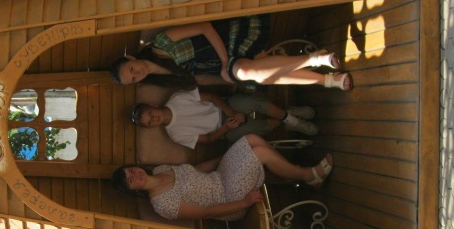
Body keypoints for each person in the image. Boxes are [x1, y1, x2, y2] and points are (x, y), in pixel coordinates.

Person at [112, 134, 333, 221]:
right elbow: (206, 213)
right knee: (260, 153)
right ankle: (308, 175)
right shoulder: (162, 204)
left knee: (251, 139)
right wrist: (244, 203)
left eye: (131, 170)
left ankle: (292, 172)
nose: (135, 175)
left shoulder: (161, 168)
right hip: (228, 199)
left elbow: (197, 169)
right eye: (131, 180)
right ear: (134, 190)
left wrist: (226, 157)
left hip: (220, 176)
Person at [109, 17, 352, 90]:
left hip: (229, 41)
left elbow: (205, 27)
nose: (137, 74)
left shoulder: (161, 43)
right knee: (253, 75)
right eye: (133, 79)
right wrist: (229, 80)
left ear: (131, 58)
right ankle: (324, 75)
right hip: (226, 68)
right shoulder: (162, 80)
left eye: (131, 69)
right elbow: (200, 79)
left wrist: (226, 61)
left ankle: (319, 64)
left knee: (246, 71)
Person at [130, 88, 318, 147]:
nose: (153, 119)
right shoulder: (175, 135)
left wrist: (230, 112)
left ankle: (292, 118)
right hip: (224, 131)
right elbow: (209, 139)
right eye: (149, 122)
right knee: (255, 129)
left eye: (150, 114)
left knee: (250, 102)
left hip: (225, 107)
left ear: (152, 106)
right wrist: (227, 126)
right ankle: (288, 118)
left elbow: (212, 97)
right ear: (151, 127)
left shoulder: (177, 98)